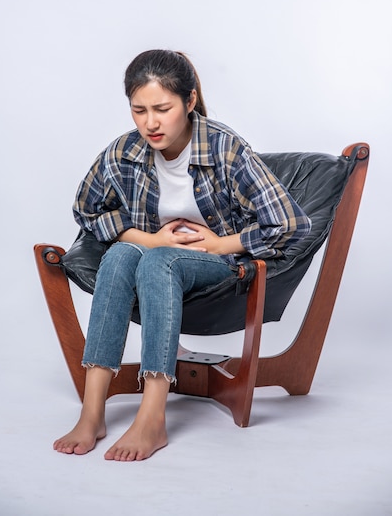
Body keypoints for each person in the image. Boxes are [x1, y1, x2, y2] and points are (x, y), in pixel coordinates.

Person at [53, 49, 311, 461]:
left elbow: (292, 225)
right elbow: (86, 209)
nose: (150, 123)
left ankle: (153, 416)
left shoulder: (225, 149)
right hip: (156, 257)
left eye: (162, 108)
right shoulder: (124, 153)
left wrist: (220, 244)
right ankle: (92, 411)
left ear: (189, 102)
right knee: (122, 256)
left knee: (159, 261)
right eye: (139, 110)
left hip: (220, 268)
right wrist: (148, 238)